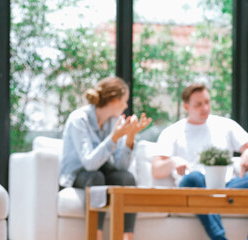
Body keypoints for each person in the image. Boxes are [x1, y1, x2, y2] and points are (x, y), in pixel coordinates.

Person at [59, 76, 151, 240]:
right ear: (114, 101)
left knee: (126, 178)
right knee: (96, 178)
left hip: (103, 171)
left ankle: (127, 237)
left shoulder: (113, 122)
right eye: (124, 101)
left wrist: (129, 137)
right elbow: (89, 164)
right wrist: (114, 138)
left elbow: (121, 166)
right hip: (80, 174)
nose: (126, 106)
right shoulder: (79, 119)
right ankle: (96, 237)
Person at [152, 83, 248, 240]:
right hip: (194, 188)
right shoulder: (172, 132)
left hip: (227, 188)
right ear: (186, 106)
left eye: (207, 102)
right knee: (194, 177)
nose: (205, 108)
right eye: (198, 104)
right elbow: (156, 169)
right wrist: (173, 162)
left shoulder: (226, 125)